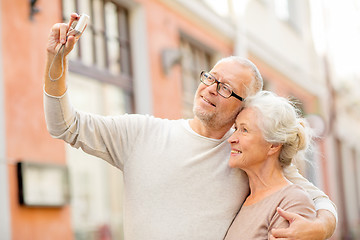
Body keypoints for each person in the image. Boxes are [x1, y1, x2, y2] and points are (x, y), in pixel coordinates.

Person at [44, 13, 337, 240]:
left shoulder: (245, 156)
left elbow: (316, 199)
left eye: (225, 88)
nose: (210, 88)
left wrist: (321, 226)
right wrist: (55, 63)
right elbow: (64, 126)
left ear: (243, 108)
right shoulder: (140, 133)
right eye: (210, 77)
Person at [224, 91, 317, 239]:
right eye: (236, 129)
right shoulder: (242, 198)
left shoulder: (292, 201)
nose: (232, 139)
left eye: (244, 130)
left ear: (273, 145)